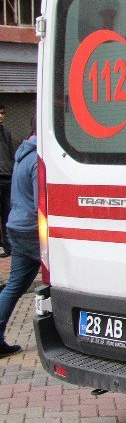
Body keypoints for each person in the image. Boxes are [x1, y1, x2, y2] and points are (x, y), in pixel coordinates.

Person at [0, 126, 39, 357]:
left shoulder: (22, 154)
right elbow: (40, 203)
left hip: (16, 226)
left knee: (15, 285)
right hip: (31, 231)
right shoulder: (36, 160)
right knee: (64, 280)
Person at [0, 105, 13, 258]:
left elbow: (10, 154)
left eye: (3, 113)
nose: (1, 116)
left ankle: (8, 246)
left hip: (7, 177)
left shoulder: (7, 133)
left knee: (7, 213)